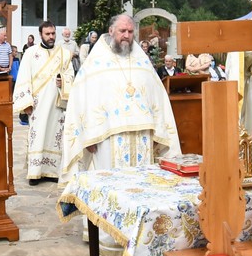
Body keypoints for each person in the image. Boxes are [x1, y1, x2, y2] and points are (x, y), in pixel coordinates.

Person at [61, 14, 181, 186]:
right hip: (107, 136)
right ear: (111, 31)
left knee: (142, 185)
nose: (126, 35)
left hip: (142, 137)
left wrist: (158, 127)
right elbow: (83, 98)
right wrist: (88, 136)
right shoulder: (96, 62)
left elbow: (157, 97)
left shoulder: (142, 61)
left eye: (130, 31)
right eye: (122, 31)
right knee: (111, 186)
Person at [13, 21, 75, 184]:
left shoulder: (64, 53)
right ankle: (35, 172)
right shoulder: (31, 53)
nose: (51, 37)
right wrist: (26, 102)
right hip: (37, 104)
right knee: (38, 135)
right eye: (47, 34)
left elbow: (70, 75)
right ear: (41, 34)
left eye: (53, 33)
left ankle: (52, 172)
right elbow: (24, 77)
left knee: (56, 136)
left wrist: (64, 82)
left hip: (57, 103)